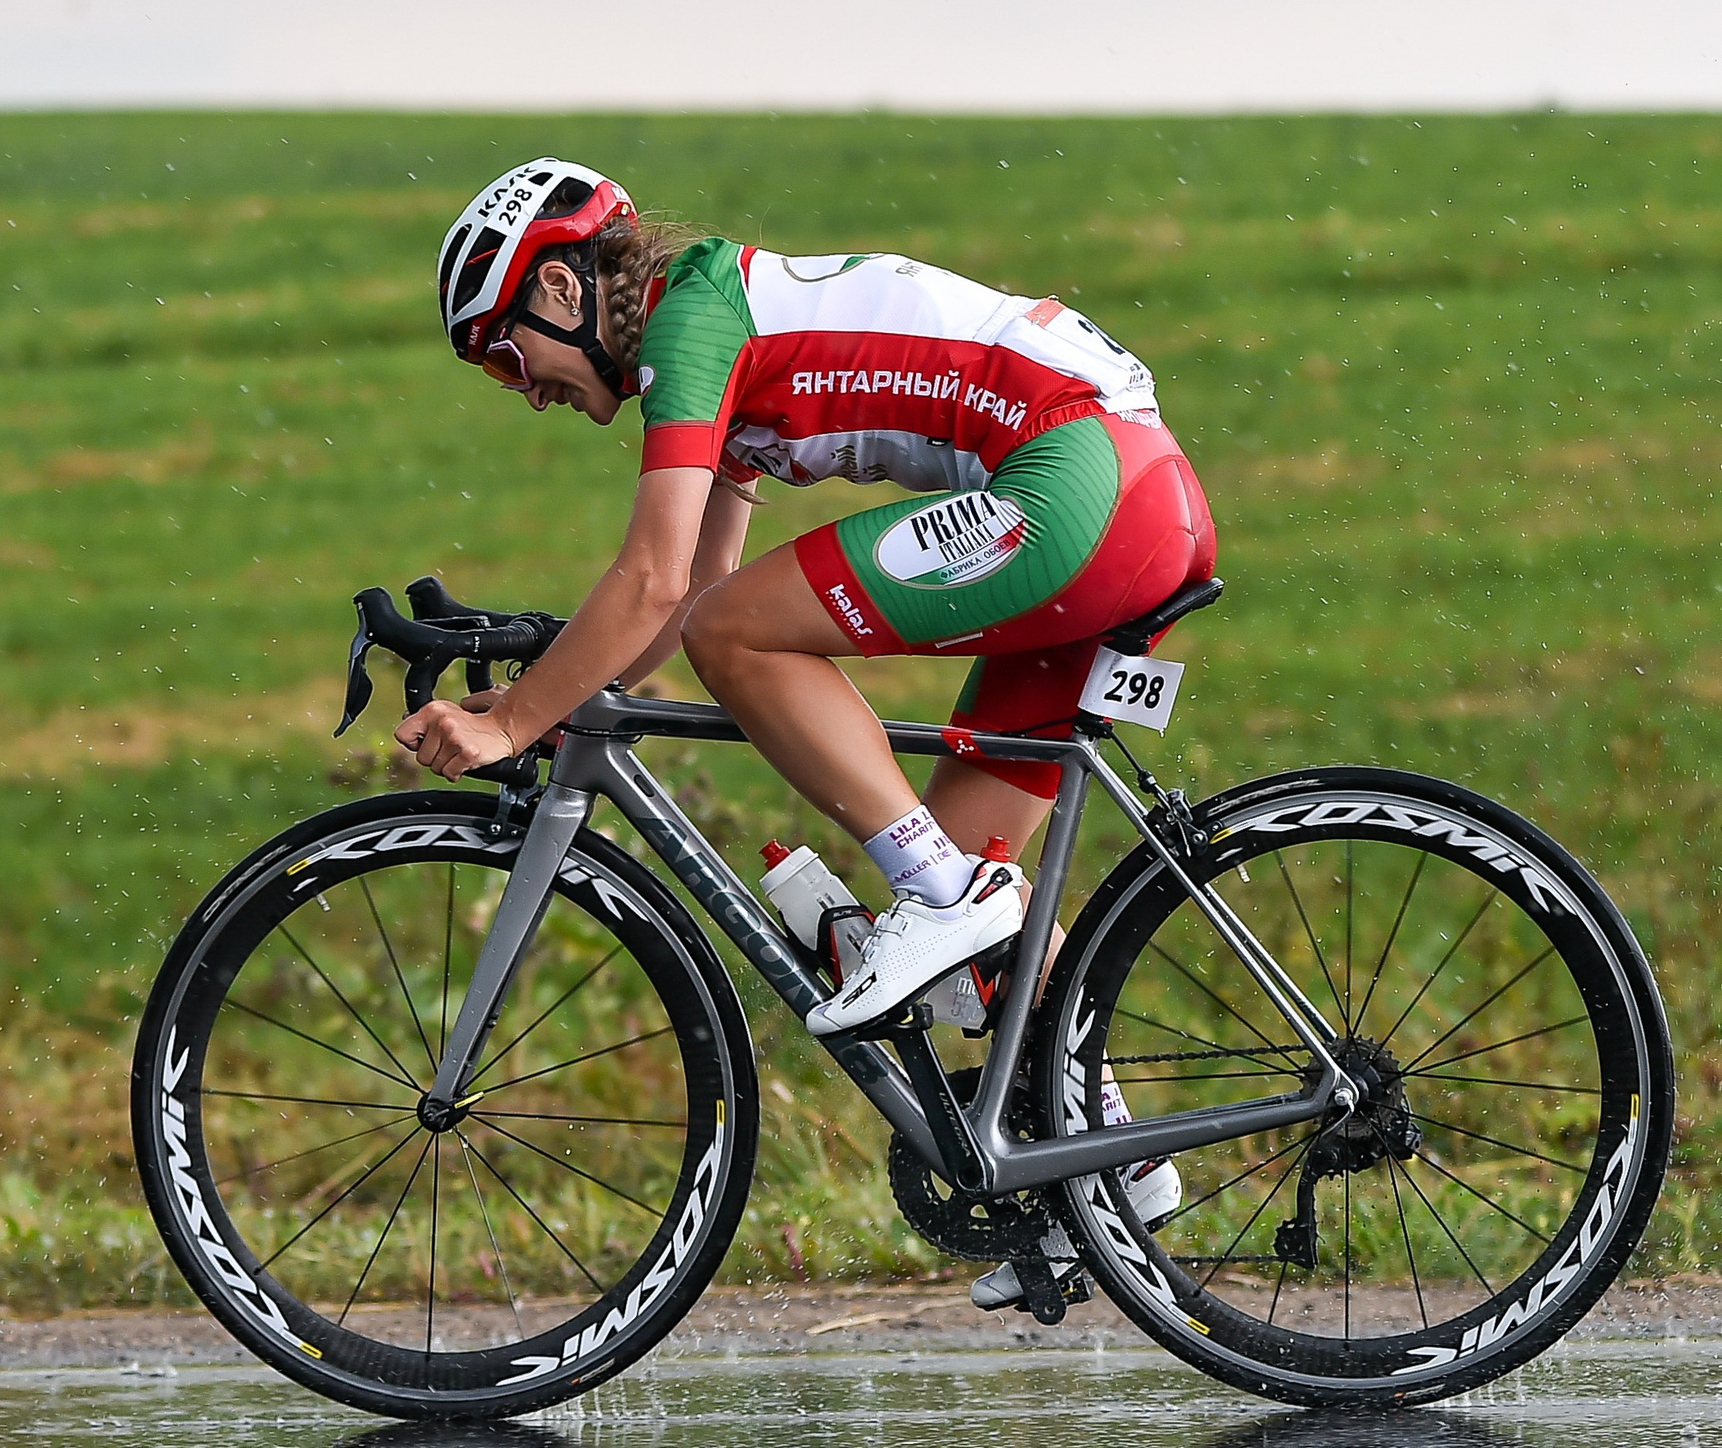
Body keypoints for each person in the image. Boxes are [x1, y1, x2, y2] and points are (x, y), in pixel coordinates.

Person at [399, 159, 1212, 1301]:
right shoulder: (708, 337)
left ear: (566, 294)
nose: (512, 383)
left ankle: (944, 894)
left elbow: (659, 586)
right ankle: (1116, 1175)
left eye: (502, 348)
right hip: (1131, 494)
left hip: (1085, 477)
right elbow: (684, 593)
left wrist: (522, 719)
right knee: (976, 959)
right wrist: (534, 712)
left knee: (780, 682)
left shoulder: (689, 323)